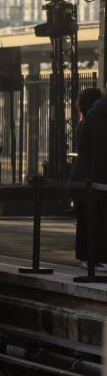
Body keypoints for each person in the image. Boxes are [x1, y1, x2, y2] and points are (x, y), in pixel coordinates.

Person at [73, 85, 107, 267]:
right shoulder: (92, 120)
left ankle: (87, 256)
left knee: (86, 219)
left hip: (84, 177)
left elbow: (83, 149)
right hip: (92, 178)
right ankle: (92, 256)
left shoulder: (85, 121)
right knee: (95, 219)